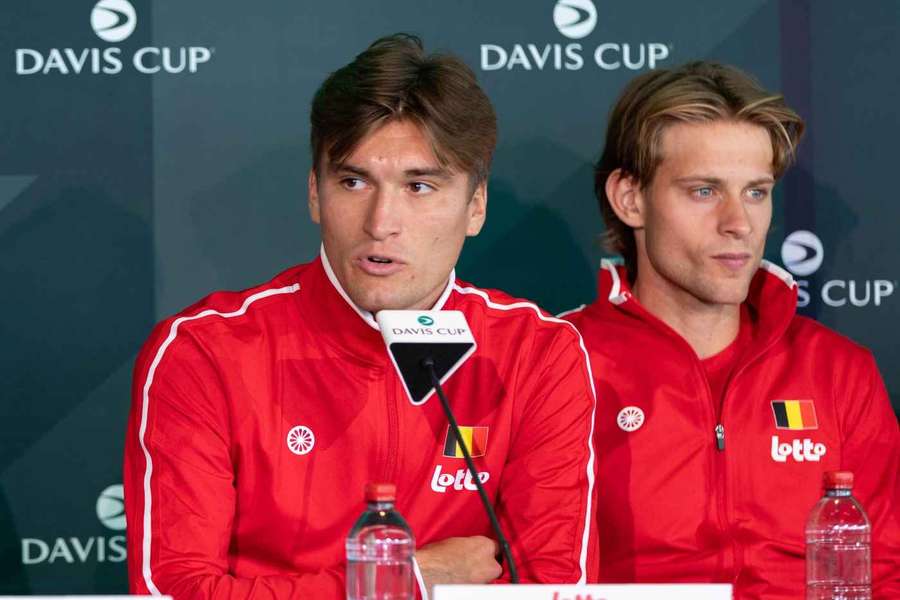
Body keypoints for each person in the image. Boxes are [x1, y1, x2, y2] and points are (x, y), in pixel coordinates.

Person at [124, 34, 598, 598]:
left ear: (476, 207)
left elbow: (555, 589)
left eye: (419, 186)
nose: (381, 222)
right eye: (353, 182)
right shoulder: (206, 349)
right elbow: (175, 591)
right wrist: (409, 579)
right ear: (315, 194)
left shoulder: (536, 352)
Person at [562, 61, 899, 599]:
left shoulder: (838, 371)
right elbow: (525, 572)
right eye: (704, 191)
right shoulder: (554, 364)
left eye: (756, 193)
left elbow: (886, 575)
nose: (738, 223)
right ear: (630, 198)